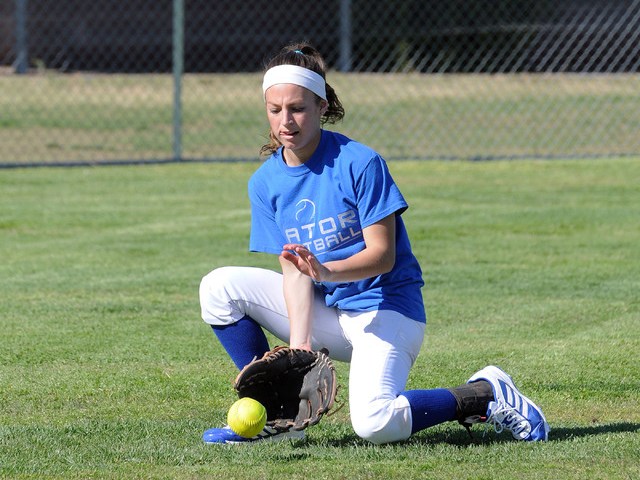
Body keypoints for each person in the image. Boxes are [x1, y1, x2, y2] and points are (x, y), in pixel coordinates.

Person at [199, 42, 550, 444]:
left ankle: (484, 395)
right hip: (329, 313)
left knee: (374, 423)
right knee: (217, 288)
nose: (286, 121)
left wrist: (326, 271)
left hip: (386, 310)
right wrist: (297, 355)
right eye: (275, 109)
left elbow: (382, 257)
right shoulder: (264, 182)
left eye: (297, 108)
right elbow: (293, 271)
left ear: (321, 106)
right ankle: (275, 412)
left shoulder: (359, 163)